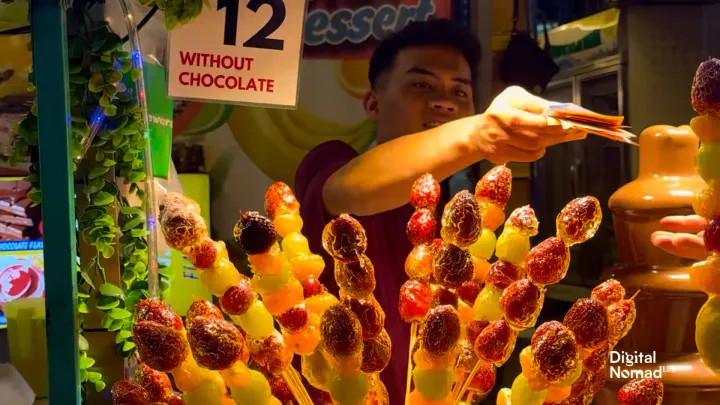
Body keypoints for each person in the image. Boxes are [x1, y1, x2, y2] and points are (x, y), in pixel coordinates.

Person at [295, 19, 583, 404]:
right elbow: (349, 192)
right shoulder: (333, 162)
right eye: (422, 84)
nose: (445, 101)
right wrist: (478, 134)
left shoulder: (461, 219)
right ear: (374, 103)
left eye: (459, 91)